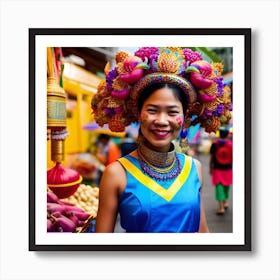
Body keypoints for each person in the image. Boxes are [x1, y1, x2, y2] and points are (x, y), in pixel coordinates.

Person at [91, 47, 232, 232]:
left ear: (185, 117)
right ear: (138, 112)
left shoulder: (194, 168)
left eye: (172, 112)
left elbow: (202, 231)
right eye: (152, 110)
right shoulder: (116, 173)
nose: (162, 121)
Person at [209, 127, 233, 215]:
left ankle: (221, 207)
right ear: (227, 134)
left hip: (217, 168)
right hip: (228, 168)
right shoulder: (231, 144)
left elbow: (212, 157)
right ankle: (225, 202)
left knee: (219, 187)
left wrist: (210, 167)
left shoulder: (215, 144)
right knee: (226, 186)